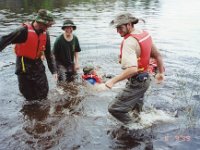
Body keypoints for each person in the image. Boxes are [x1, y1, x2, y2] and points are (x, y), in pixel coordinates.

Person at [102, 12, 165, 127]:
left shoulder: (129, 42)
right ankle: (140, 126)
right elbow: (158, 55)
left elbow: (132, 70)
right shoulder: (145, 34)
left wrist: (112, 81)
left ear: (129, 25)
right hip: (145, 80)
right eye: (117, 28)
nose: (118, 31)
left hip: (137, 82)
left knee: (115, 109)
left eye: (120, 27)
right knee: (135, 111)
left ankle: (136, 128)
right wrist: (161, 73)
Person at [0, 9, 57, 101]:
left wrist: (53, 71)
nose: (48, 27)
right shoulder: (23, 31)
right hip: (23, 66)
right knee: (29, 97)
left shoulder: (45, 34)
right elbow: (4, 40)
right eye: (47, 25)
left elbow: (48, 54)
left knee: (43, 93)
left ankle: (41, 114)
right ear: (40, 22)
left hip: (38, 64)